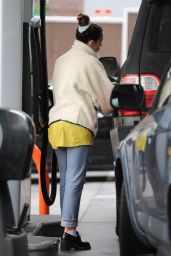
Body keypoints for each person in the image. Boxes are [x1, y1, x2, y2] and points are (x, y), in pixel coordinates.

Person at [48, 13, 114, 251]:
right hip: (77, 124)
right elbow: (107, 104)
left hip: (56, 124)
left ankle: (68, 231)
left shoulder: (62, 60)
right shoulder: (91, 62)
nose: (101, 46)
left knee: (67, 180)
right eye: (100, 42)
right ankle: (70, 232)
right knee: (75, 180)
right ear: (92, 42)